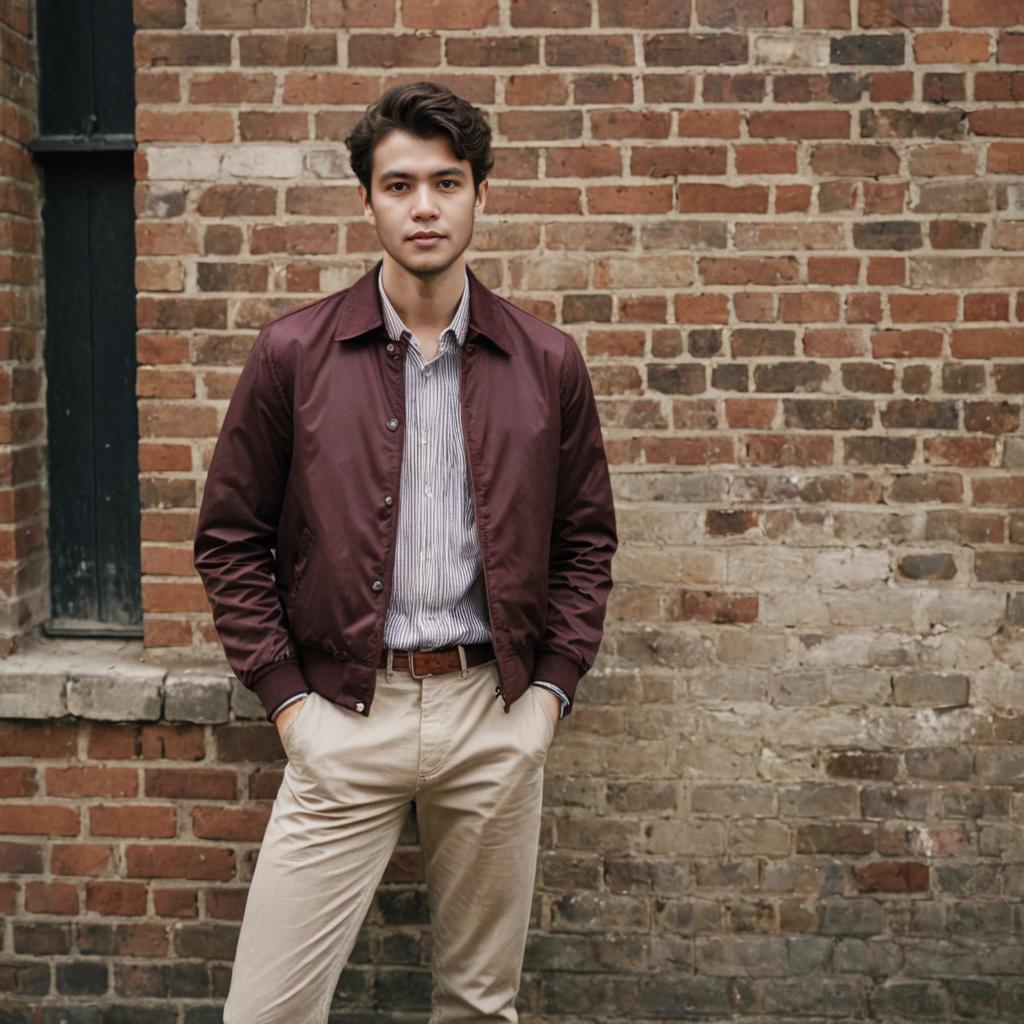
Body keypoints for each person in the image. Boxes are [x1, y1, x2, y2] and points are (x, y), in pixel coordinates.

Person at [193, 80, 617, 1024]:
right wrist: (291, 709)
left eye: (447, 182)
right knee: (264, 1013)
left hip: (489, 715)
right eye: (400, 185)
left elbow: (586, 544)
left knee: (476, 1007)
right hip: (345, 713)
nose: (424, 206)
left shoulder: (547, 362)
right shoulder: (293, 355)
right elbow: (230, 540)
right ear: (368, 200)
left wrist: (545, 699)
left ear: (479, 196)